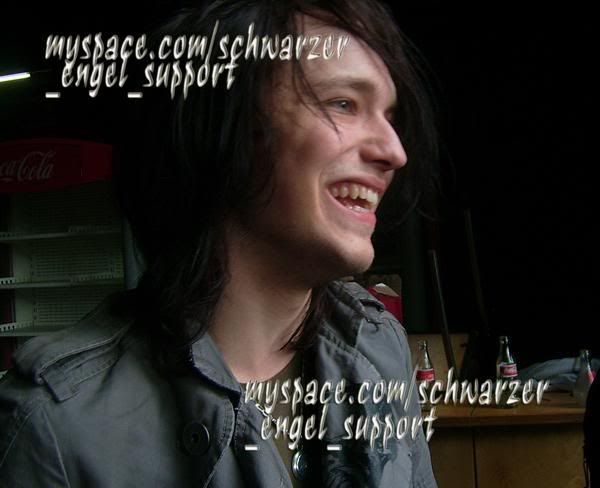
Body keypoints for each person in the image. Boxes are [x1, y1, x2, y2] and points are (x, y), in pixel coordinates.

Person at [0, 0, 438, 486]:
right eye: (343, 104)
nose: (395, 152)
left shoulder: (378, 345)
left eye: (389, 116)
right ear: (219, 129)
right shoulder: (55, 426)